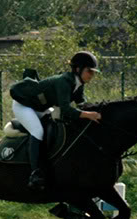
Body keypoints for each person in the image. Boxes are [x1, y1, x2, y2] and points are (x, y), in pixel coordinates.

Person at [10, 51, 102, 191]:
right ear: (78, 69)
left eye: (93, 72)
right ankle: (35, 173)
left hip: (40, 107)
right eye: (89, 71)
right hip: (24, 105)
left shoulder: (78, 84)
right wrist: (88, 115)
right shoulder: (64, 82)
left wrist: (98, 111)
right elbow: (66, 109)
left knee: (55, 127)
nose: (92, 75)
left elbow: (82, 104)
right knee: (38, 131)